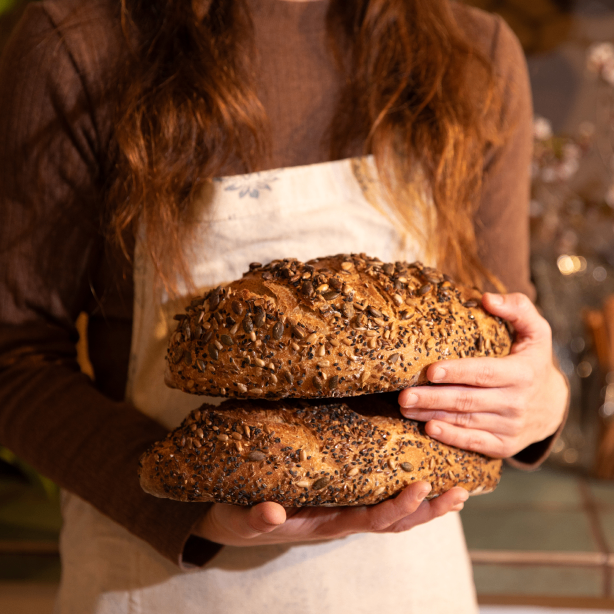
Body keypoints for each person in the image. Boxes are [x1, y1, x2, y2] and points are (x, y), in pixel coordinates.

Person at [0, 0, 568, 612]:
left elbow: (503, 337)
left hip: (402, 583)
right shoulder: (79, 41)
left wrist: (540, 405)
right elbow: (13, 354)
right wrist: (196, 511)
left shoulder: (474, 53)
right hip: (162, 576)